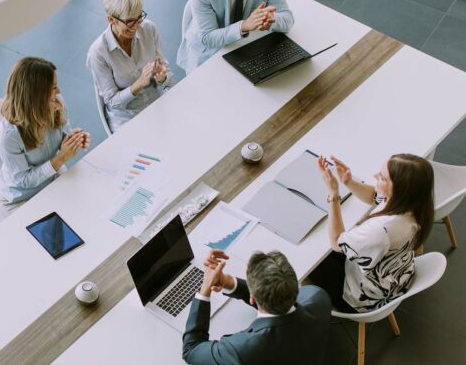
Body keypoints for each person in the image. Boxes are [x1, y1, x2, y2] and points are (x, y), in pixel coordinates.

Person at [311, 154, 434, 313]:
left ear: (400, 189)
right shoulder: (415, 204)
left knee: (313, 259)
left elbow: (336, 242)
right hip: (395, 276)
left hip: (362, 298)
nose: (375, 175)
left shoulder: (381, 230)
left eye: (382, 178)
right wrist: (348, 182)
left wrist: (333, 195)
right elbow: (375, 197)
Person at [183, 249, 331, 364]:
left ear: (252, 298)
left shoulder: (241, 350)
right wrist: (229, 282)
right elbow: (279, 296)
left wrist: (205, 288)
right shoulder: (318, 298)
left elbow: (191, 349)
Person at [0, 57, 91, 211]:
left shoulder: (56, 102)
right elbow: (24, 180)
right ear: (36, 95)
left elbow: (62, 137)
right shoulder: (8, 136)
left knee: (86, 207)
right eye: (53, 87)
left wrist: (74, 140)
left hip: (52, 179)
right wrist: (61, 158)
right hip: (21, 198)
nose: (58, 91)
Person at [176, 0, 294, 72]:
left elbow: (288, 19)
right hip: (209, 53)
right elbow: (207, 37)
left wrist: (271, 20)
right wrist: (244, 26)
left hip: (244, 49)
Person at [87, 0, 174, 133]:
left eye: (139, 17)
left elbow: (168, 80)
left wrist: (162, 78)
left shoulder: (149, 29)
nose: (136, 26)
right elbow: (113, 103)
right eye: (130, 22)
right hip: (127, 119)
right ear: (111, 20)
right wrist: (138, 84)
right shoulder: (98, 54)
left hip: (158, 104)